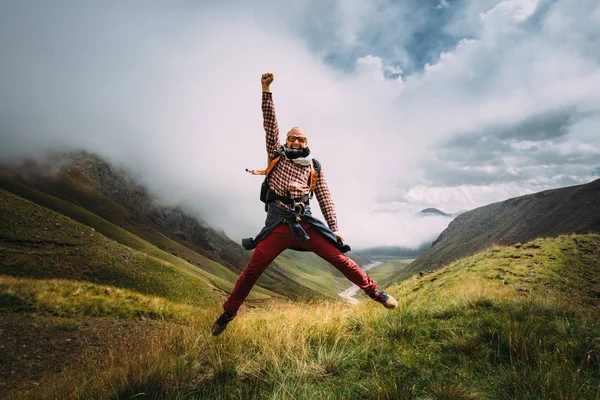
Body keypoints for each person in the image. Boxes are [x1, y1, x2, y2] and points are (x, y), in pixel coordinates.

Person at [211, 72, 397, 336]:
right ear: (286, 140)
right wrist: (266, 90)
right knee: (252, 271)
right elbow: (270, 124)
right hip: (277, 225)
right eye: (293, 138)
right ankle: (228, 313)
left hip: (306, 224)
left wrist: (334, 227)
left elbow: (325, 197)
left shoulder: (314, 167)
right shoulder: (276, 154)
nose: (297, 141)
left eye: (302, 139)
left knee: (340, 259)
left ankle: (375, 292)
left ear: (308, 143)